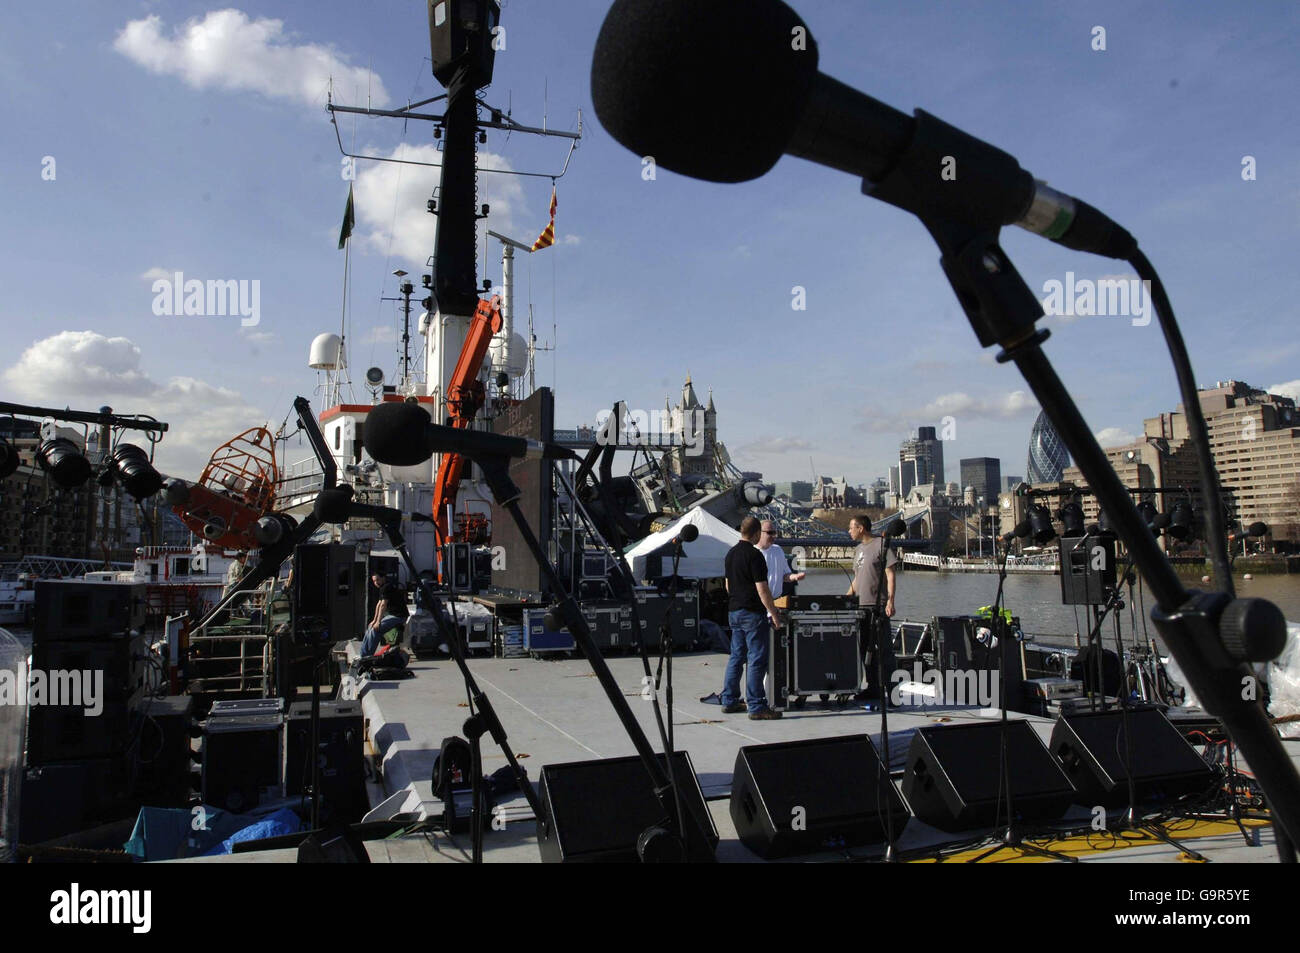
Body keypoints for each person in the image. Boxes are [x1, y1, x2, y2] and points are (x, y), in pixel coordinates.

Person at [720, 516, 783, 720]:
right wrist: (773, 613)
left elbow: (728, 585)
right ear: (756, 533)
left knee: (736, 656)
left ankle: (729, 700)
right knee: (757, 658)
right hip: (752, 613)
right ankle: (756, 706)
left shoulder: (730, 554)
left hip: (734, 611)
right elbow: (762, 589)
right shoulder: (755, 556)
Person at [847, 514, 899, 699]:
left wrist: (891, 600)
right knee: (864, 651)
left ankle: (893, 692)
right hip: (860, 608)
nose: (849, 531)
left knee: (885, 651)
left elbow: (891, 575)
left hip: (878, 607)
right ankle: (872, 687)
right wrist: (844, 598)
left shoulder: (882, 545)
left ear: (861, 528)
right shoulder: (858, 549)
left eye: (851, 527)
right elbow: (858, 578)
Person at [360, 580, 410, 658]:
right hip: (392, 615)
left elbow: (383, 605)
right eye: (374, 581)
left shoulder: (387, 587)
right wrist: (374, 620)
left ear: (382, 578)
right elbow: (379, 605)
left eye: (377, 580)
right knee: (370, 627)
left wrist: (378, 622)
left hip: (400, 616)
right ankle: (363, 655)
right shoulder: (382, 588)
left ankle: (368, 656)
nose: (376, 583)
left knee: (376, 630)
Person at [757, 520, 805, 600]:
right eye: (770, 533)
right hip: (757, 602)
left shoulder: (778, 550)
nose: (774, 536)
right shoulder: (751, 551)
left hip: (775, 600)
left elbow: (785, 576)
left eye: (774, 533)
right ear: (759, 533)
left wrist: (795, 576)